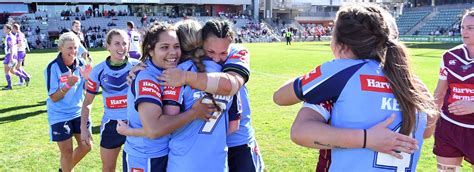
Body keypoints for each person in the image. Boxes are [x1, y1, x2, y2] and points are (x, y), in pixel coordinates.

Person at [273, 4, 438, 171]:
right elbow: (426, 132)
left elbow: (281, 100)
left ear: (342, 45)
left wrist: (366, 139)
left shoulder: (339, 75)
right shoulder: (411, 83)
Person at [157, 19, 264, 172]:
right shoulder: (216, 70)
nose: (216, 58)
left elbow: (228, 86)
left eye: (223, 53)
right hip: (219, 153)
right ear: (201, 43)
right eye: (211, 52)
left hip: (234, 144)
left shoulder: (176, 74)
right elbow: (233, 124)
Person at [118, 22, 213, 172]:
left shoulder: (172, 72)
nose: (173, 52)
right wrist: (194, 113)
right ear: (150, 50)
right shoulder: (146, 77)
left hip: (165, 153)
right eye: (164, 47)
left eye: (176, 46)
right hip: (146, 157)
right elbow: (154, 129)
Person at [79, 29, 139, 172]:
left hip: (136, 123)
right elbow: (87, 102)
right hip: (111, 125)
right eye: (116, 43)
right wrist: (83, 128)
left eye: (124, 43)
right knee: (108, 168)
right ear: (108, 46)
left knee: (135, 168)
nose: (121, 47)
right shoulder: (98, 70)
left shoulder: (138, 66)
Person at [43, 32, 92, 172]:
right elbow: (53, 97)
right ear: (61, 48)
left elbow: (87, 89)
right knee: (67, 152)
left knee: (87, 146)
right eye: (69, 48)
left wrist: (88, 79)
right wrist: (68, 85)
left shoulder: (81, 63)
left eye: (75, 47)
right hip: (59, 115)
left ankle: (63, 170)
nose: (74, 51)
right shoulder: (53, 67)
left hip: (78, 112)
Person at [433, 9, 474, 172]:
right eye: (462, 27)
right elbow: (440, 92)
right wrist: (431, 120)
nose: (464, 31)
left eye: (470, 28)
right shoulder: (449, 56)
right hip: (449, 126)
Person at [2, 24, 27, 90]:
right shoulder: (12, 36)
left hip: (10, 55)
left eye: (4, 28)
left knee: (6, 71)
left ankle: (9, 86)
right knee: (12, 70)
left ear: (8, 29)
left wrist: (11, 58)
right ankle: (25, 77)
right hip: (13, 54)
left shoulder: (9, 37)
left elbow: (11, 47)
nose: (3, 29)